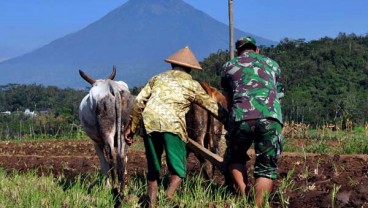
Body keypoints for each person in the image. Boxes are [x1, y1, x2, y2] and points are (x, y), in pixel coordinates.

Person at [124, 46, 228, 207]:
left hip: (149, 123)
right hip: (172, 125)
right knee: (179, 169)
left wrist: (132, 126)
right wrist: (230, 122)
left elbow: (138, 102)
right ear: (189, 69)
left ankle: (151, 201)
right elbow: (212, 107)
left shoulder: (157, 78)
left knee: (153, 167)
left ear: (172, 65)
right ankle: (167, 197)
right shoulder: (192, 84)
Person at [221, 36, 284, 207]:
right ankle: (257, 205)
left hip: (241, 117)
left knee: (235, 157)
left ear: (238, 51)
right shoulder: (272, 64)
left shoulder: (229, 66)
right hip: (270, 118)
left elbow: (228, 100)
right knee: (266, 167)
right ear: (257, 50)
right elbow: (278, 97)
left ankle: (243, 195)